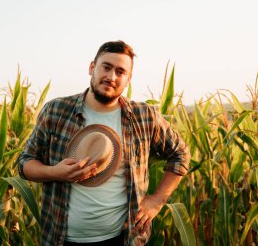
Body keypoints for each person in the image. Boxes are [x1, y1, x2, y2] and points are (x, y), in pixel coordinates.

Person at [16, 40, 190, 246]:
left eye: (120, 72)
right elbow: (25, 162)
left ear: (128, 79)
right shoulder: (57, 111)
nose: (111, 77)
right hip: (60, 238)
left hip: (124, 238)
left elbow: (180, 153)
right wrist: (57, 173)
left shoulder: (144, 116)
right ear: (92, 68)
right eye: (106, 67)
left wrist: (158, 200)